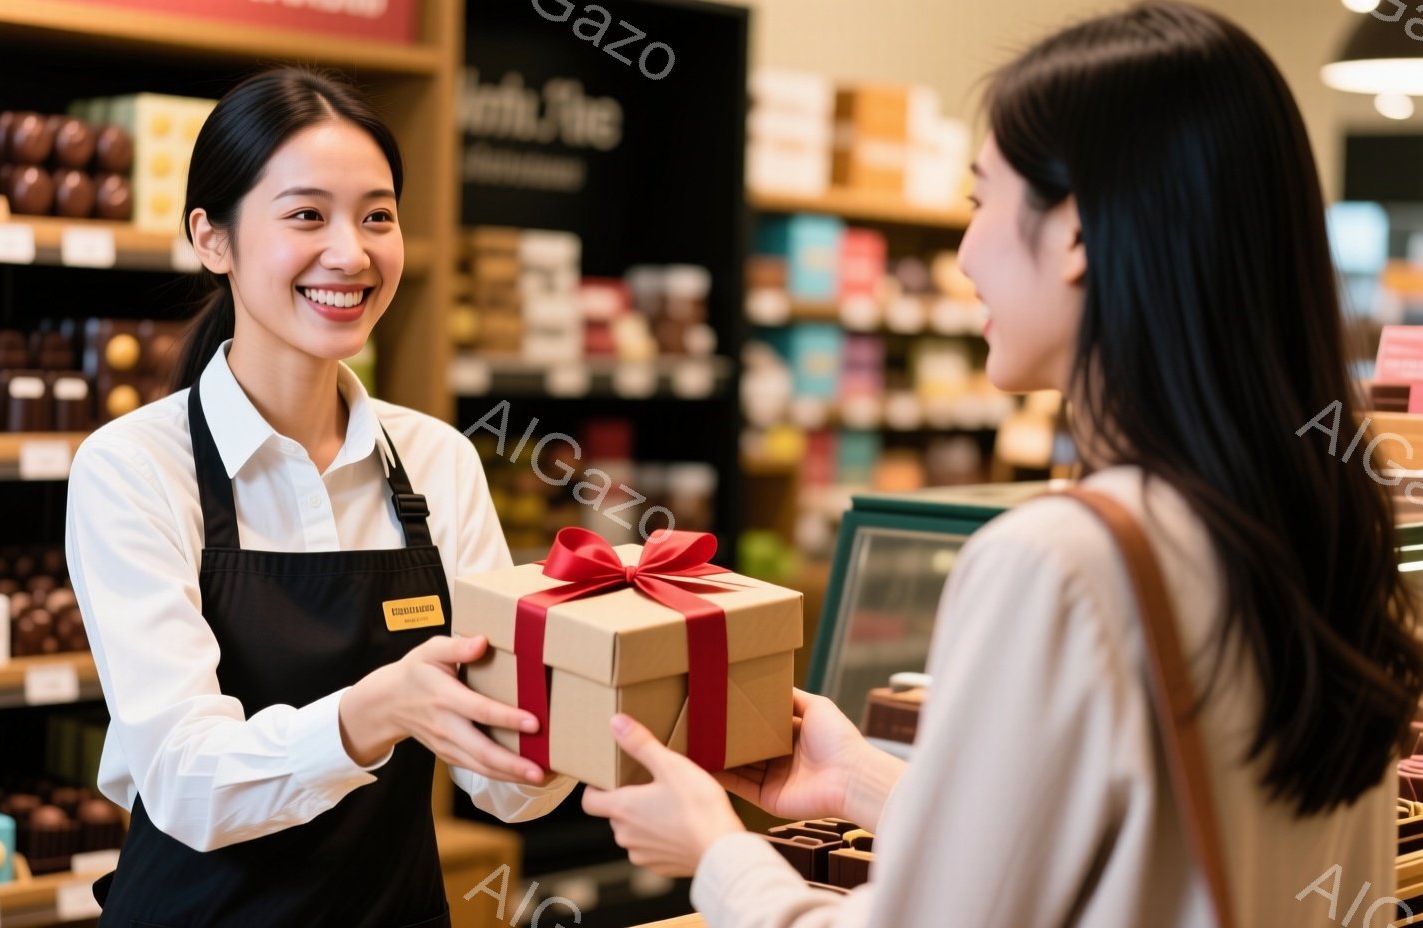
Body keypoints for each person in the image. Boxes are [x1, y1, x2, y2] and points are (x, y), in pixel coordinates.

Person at [581, 3, 1423, 925]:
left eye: (982, 201)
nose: (965, 252)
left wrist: (719, 857)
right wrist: (865, 780)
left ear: (1077, 235)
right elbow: (1134, 863)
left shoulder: (1059, 560)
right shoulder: (1324, 523)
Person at [65, 68, 575, 927]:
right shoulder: (134, 467)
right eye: (307, 215)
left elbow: (504, 789)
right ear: (212, 238)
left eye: (377, 216)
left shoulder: (436, 461)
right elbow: (189, 784)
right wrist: (377, 710)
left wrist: (593, 703)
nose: (352, 252)